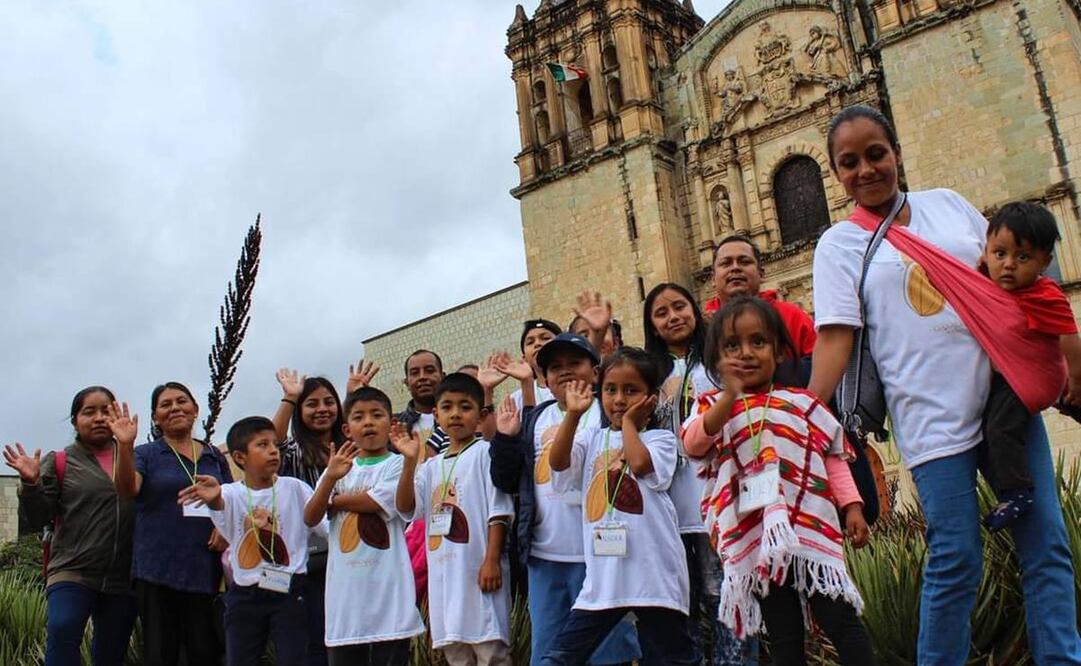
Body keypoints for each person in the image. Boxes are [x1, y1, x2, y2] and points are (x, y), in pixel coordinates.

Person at [809, 103, 1081, 664]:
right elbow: (836, 338)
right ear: (836, 173)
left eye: (876, 154)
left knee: (1046, 548)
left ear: (898, 153)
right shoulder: (837, 245)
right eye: (849, 162)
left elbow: (1015, 279)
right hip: (930, 422)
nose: (866, 170)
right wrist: (804, 412)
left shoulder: (949, 206)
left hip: (1005, 403)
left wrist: (1065, 360)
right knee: (956, 561)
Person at [683, 297, 873, 665]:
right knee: (784, 632)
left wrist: (852, 507)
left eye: (759, 342)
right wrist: (728, 398)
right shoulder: (711, 407)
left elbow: (831, 458)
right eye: (732, 346)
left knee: (840, 619)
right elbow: (694, 441)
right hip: (758, 539)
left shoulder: (802, 404)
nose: (747, 353)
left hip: (810, 531)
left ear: (780, 353)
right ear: (716, 359)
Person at [541, 348, 699, 666]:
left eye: (631, 390)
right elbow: (558, 463)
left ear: (651, 397)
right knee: (560, 656)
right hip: (605, 580)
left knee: (671, 657)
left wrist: (629, 422)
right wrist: (572, 415)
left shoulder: (661, 440)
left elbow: (641, 465)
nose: (618, 399)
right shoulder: (591, 438)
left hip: (653, 576)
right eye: (611, 390)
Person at [491, 333, 641, 666]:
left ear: (596, 371)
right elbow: (505, 480)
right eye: (555, 367)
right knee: (550, 651)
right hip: (545, 556)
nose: (566, 372)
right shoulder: (532, 418)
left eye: (575, 363)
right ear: (544, 378)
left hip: (602, 556)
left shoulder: (611, 413)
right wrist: (505, 439)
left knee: (608, 651)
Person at [642, 283, 752, 665]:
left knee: (725, 597)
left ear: (694, 309)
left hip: (718, 500)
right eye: (661, 313)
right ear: (652, 327)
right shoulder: (648, 373)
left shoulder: (719, 361)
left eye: (679, 306)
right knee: (681, 606)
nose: (673, 316)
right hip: (668, 510)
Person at [4, 387, 138, 666]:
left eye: (106, 411)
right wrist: (31, 484)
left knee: (111, 653)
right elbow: (40, 516)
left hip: (123, 577)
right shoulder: (60, 461)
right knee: (63, 631)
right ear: (75, 421)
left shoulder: (139, 460)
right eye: (89, 412)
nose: (99, 418)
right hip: (72, 570)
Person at [181, 416, 328, 666]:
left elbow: (323, 528)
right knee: (240, 658)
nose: (272, 451)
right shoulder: (230, 492)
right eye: (262, 445)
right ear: (240, 458)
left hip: (290, 590)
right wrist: (214, 498)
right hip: (245, 593)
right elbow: (221, 507)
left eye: (274, 445)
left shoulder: (295, 488)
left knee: (296, 657)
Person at [394, 373, 515, 666]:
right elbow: (407, 507)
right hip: (445, 579)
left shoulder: (485, 453)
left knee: (490, 651)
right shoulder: (430, 466)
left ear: (479, 414)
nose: (456, 414)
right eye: (447, 407)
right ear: (436, 414)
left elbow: (498, 511)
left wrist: (492, 560)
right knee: (456, 652)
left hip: (479, 569)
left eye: (465, 407)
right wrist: (410, 462)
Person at [113, 381, 232, 666]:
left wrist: (223, 526)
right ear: (155, 417)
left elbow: (232, 499)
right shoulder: (146, 454)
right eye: (165, 405)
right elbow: (127, 489)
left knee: (205, 651)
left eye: (182, 401)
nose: (175, 408)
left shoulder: (214, 455)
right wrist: (125, 447)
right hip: (157, 569)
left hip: (204, 568)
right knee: (161, 653)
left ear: (195, 410)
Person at [304, 387, 425, 665]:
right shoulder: (337, 468)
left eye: (376, 415)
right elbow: (310, 517)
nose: (368, 422)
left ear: (391, 423)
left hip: (388, 593)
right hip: (345, 600)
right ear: (347, 429)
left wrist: (335, 501)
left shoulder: (399, 465)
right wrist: (329, 481)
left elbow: (376, 502)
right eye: (359, 417)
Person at [979, 202, 1081, 530]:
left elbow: (1069, 339)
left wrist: (1077, 378)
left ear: (1044, 263)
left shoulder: (1045, 295)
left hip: (1035, 378)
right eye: (999, 254)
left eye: (1022, 258)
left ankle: (1018, 491)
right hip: (1032, 374)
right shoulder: (991, 280)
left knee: (999, 428)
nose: (1008, 265)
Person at [273, 372, 352, 666]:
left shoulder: (351, 446)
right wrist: (289, 397)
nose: (322, 409)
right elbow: (273, 439)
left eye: (329, 402)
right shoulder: (292, 451)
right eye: (312, 404)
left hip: (352, 552)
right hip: (310, 559)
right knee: (316, 635)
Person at [703, 235, 817, 359]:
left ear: (761, 274)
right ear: (712, 279)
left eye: (745, 262)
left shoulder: (792, 316)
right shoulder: (701, 328)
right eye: (726, 263)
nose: (735, 267)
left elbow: (820, 364)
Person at [395, 349, 450, 454]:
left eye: (429, 371)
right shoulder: (395, 425)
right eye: (415, 373)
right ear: (406, 382)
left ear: (443, 377)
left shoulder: (458, 419)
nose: (422, 377)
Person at [508, 319, 562, 410]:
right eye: (530, 342)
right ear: (524, 359)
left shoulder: (578, 384)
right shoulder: (515, 400)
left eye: (545, 338)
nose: (537, 344)